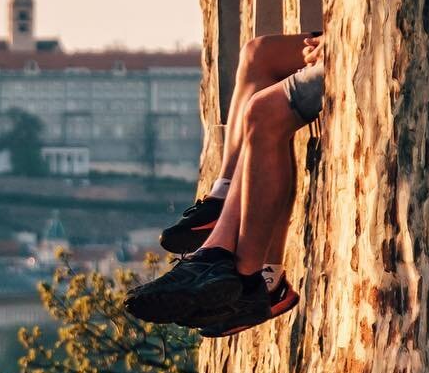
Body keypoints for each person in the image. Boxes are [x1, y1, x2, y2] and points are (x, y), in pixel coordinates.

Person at [128, 32, 324, 337]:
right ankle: (221, 203)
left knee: (261, 113)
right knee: (256, 53)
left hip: (351, 46)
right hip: (337, 41)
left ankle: (248, 279)